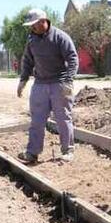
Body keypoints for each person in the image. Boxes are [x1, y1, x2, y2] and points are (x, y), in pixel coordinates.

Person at [17, 9, 78, 164]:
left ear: (43, 21)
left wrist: (68, 81)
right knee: (36, 120)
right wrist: (23, 80)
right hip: (40, 85)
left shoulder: (60, 37)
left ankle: (68, 151)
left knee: (63, 118)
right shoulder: (32, 39)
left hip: (59, 83)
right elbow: (27, 60)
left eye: (34, 25)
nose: (32, 28)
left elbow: (72, 58)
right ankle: (32, 153)